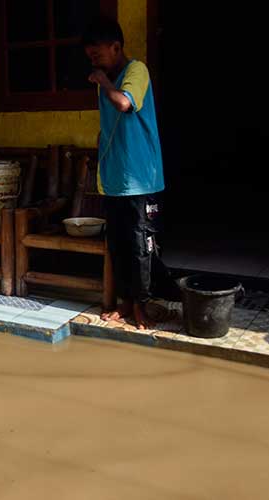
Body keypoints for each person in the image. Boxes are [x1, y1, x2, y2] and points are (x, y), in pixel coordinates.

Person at [83, 18, 172, 329]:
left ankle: (142, 306)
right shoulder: (105, 80)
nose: (93, 62)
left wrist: (104, 82)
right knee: (119, 245)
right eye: (90, 57)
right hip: (114, 178)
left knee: (141, 243)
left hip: (140, 178)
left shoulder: (137, 70)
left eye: (97, 55)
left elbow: (123, 103)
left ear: (116, 47)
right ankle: (124, 302)